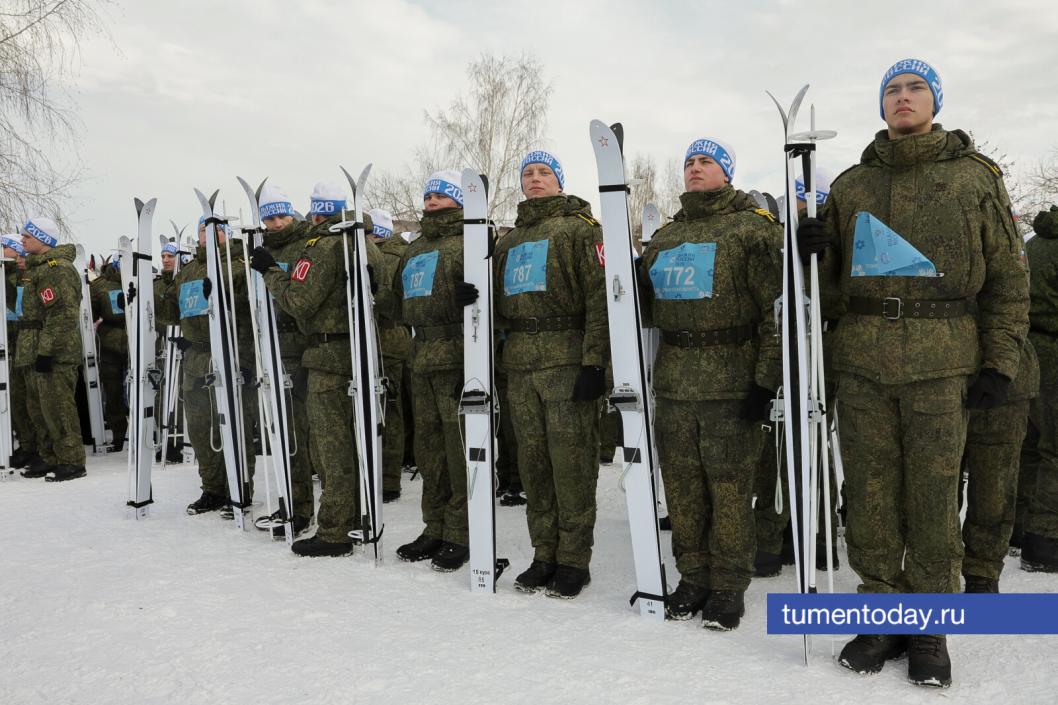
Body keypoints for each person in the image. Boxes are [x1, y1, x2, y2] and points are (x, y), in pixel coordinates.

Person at [798, 58, 1029, 687]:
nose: (903, 97)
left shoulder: (974, 178)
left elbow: (1008, 280)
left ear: (935, 101)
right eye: (893, 90)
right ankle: (881, 613)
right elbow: (828, 292)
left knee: (932, 497)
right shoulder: (852, 186)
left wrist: (1000, 362)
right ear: (881, 105)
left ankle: (928, 625)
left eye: (916, 88)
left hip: (942, 363)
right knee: (869, 495)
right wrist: (812, 253)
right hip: (862, 363)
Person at [639, 138, 782, 629]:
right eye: (690, 162)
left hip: (731, 383)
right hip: (675, 382)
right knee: (681, 489)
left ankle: (728, 584)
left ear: (726, 172)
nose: (696, 169)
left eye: (706, 162)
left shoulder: (752, 229)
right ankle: (693, 575)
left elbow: (774, 313)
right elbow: (647, 310)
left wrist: (765, 382)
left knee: (729, 489)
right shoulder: (665, 238)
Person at [467, 150, 610, 598]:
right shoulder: (508, 242)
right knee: (534, 467)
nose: (534, 178)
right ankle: (544, 553)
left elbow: (601, 299)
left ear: (559, 181)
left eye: (544, 172)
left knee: (571, 465)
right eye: (527, 173)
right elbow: (495, 304)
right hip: (520, 366)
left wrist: (595, 363)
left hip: (566, 362)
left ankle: (574, 560)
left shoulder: (581, 230)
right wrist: (470, 294)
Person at [253, 182, 383, 556]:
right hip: (354, 350)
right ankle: (350, 518)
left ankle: (335, 530)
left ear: (314, 213)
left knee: (331, 447)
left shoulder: (323, 246)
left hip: (327, 354)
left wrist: (270, 271)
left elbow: (299, 300)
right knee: (348, 442)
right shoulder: (363, 242)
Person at [390, 171, 472, 572]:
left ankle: (461, 532)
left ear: (459, 200)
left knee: (459, 450)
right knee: (429, 450)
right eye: (428, 195)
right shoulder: (415, 248)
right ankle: (434, 526)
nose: (433, 201)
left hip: (457, 353)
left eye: (441, 195)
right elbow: (395, 302)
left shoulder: (471, 240)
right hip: (420, 354)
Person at [157, 215, 257, 517]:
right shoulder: (188, 271)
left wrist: (246, 361)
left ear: (227, 233)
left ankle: (239, 488)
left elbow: (250, 312)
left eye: (214, 230)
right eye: (202, 230)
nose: (207, 235)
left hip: (229, 354)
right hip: (196, 360)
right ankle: (212, 489)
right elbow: (174, 312)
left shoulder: (238, 265)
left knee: (233, 425)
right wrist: (148, 299)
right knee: (201, 428)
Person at [17, 217, 86, 482]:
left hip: (56, 351)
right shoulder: (38, 269)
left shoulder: (57, 270)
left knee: (59, 408)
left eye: (27, 236)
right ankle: (49, 457)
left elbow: (62, 314)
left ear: (43, 239)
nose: (22, 240)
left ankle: (71, 460)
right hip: (36, 348)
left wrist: (46, 351)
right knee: (39, 408)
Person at [1018, 205, 1058, 572]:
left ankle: (1019, 529)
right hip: (1054, 355)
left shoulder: (1035, 243)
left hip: (1027, 350)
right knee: (1054, 450)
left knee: (1030, 446)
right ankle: (1045, 540)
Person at [367, 207, 412, 504]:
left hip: (386, 340)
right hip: (388, 340)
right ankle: (385, 475)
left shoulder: (389, 257)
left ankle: (387, 478)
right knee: (388, 408)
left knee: (388, 410)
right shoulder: (396, 254)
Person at [3, 234, 36, 468]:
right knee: (15, 399)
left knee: (25, 399)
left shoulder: (23, 277)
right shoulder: (8, 274)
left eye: (5, 246)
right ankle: (25, 443)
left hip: (23, 344)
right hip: (12, 344)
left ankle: (32, 445)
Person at [89, 259, 128, 452]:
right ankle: (118, 433)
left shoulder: (143, 278)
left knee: (142, 387)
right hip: (110, 343)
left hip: (136, 340)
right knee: (112, 391)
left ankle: (147, 430)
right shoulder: (101, 286)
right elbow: (91, 314)